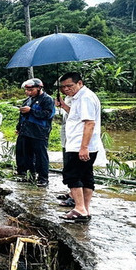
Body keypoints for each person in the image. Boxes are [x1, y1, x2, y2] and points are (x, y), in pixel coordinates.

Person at [56, 72, 103, 221]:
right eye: (63, 87)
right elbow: (76, 116)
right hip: (81, 144)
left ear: (80, 83)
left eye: (69, 86)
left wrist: (84, 147)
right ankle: (85, 209)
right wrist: (63, 105)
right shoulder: (78, 98)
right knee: (86, 176)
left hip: (79, 145)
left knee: (72, 176)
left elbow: (89, 123)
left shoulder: (85, 98)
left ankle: (80, 208)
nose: (66, 89)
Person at [15, 78, 55, 187]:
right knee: (26, 155)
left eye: (31, 90)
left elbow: (48, 114)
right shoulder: (28, 99)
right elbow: (22, 115)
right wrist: (19, 127)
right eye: (26, 90)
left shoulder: (47, 100)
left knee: (40, 156)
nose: (28, 92)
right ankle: (30, 175)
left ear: (39, 88)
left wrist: (31, 111)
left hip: (39, 132)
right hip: (26, 131)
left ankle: (43, 178)